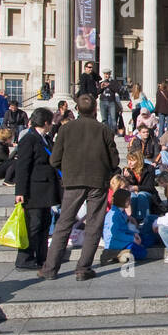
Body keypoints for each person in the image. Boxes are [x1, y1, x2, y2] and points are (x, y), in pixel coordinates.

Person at [38, 93, 121, 281]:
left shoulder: (66, 130)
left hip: (73, 182)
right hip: (97, 182)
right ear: (95, 110)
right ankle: (83, 269)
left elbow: (54, 159)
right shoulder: (104, 130)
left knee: (63, 224)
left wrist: (67, 171)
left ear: (77, 109)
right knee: (94, 225)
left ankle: (50, 269)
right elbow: (114, 160)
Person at [14, 107, 63, 270]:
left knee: (44, 224)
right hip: (33, 191)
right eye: (51, 122)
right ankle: (25, 258)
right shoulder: (29, 139)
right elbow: (22, 167)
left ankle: (42, 257)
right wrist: (20, 191)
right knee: (32, 226)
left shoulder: (45, 139)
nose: (52, 125)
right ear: (45, 122)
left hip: (46, 190)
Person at [101, 189, 146, 263]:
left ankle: (123, 253)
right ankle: (116, 253)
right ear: (121, 200)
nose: (130, 202)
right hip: (114, 242)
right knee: (142, 253)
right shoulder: (114, 215)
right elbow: (115, 234)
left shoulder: (121, 212)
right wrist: (132, 238)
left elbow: (124, 229)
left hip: (122, 238)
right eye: (128, 200)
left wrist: (134, 234)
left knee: (144, 239)